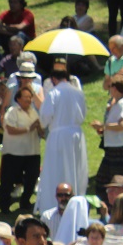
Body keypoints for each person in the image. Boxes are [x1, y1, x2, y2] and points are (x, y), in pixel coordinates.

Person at [37, 59, 89, 215]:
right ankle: (75, 200)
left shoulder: (54, 92)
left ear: (53, 79)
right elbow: (83, 114)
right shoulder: (78, 92)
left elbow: (45, 117)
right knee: (75, 167)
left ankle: (53, 202)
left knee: (56, 168)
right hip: (76, 134)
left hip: (58, 135)